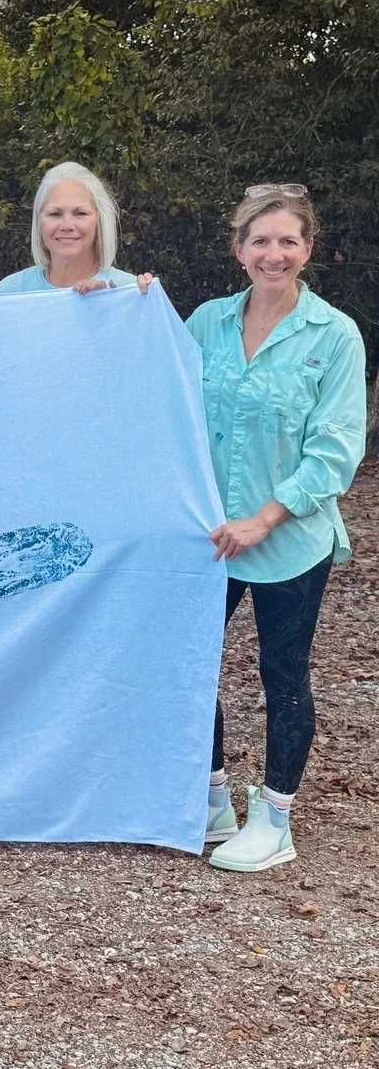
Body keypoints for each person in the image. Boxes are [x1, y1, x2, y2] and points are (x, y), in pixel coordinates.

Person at [188, 185, 366, 872]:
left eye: (288, 241)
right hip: (212, 540)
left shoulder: (334, 336)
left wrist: (265, 517)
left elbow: (335, 448)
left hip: (288, 539)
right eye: (260, 241)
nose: (274, 253)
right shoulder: (205, 323)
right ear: (239, 251)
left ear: (308, 250)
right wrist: (119, 297)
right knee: (189, 665)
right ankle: (210, 802)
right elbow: (145, 380)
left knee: (282, 673)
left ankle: (276, 821)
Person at [0, 162, 137, 294]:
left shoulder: (129, 290)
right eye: (55, 214)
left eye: (80, 213)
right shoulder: (9, 292)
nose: (67, 226)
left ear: (99, 221)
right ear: (39, 223)